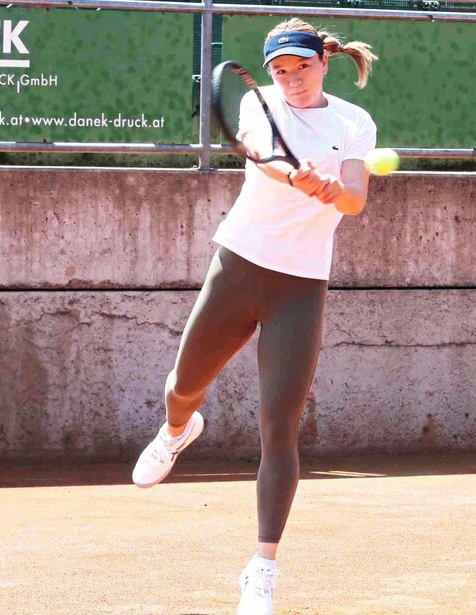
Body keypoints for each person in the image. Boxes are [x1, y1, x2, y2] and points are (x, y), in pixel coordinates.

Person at [132, 17, 378, 615]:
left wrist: (334, 193)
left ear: (325, 60)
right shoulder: (257, 101)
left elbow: (355, 199)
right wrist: (297, 176)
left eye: (302, 67)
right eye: (281, 70)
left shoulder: (354, 123)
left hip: (302, 285)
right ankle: (176, 431)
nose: (291, 80)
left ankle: (261, 569)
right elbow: (264, 158)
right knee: (184, 386)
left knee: (280, 425)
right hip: (240, 264)